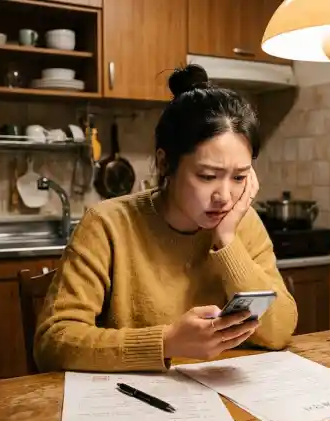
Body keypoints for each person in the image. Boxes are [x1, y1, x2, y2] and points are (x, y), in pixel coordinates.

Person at [33, 64, 298, 373]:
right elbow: (54, 342)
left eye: (239, 177)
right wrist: (167, 342)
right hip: (130, 405)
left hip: (224, 400)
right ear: (165, 163)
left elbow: (279, 331)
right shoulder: (107, 225)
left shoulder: (242, 222)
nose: (225, 196)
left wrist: (227, 240)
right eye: (207, 175)